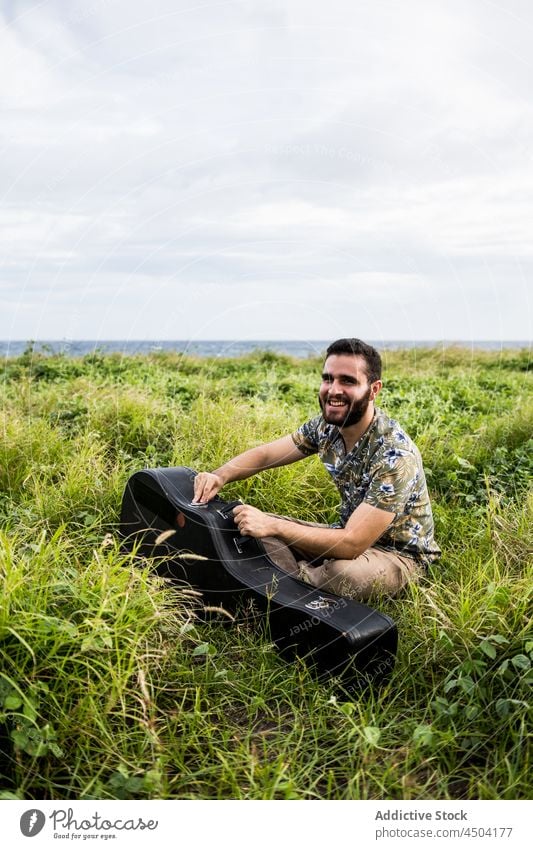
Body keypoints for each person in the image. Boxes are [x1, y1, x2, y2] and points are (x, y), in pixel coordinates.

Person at [193, 338, 440, 600]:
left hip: (397, 555)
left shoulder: (395, 455)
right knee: (243, 523)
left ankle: (281, 581)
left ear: (373, 389)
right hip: (343, 534)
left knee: (342, 573)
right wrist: (219, 475)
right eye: (328, 379)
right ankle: (293, 580)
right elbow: (266, 455)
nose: (333, 390)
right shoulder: (326, 428)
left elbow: (353, 543)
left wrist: (274, 526)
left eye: (348, 381)